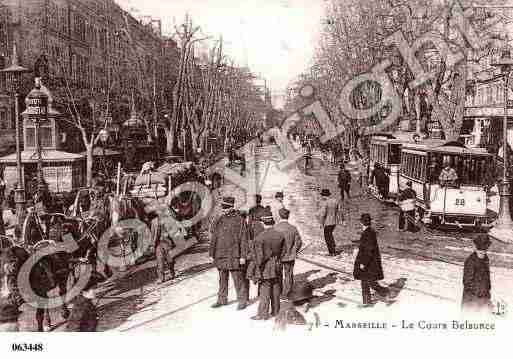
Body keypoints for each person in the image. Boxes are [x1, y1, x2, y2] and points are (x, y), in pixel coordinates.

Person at [209, 197, 249, 310]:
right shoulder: (220, 219)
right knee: (222, 278)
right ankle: (222, 299)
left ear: (232, 207)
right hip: (220, 254)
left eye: (226, 208)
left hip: (234, 254)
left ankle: (242, 300)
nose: (224, 210)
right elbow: (214, 237)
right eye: (223, 207)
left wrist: (243, 256)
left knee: (238, 279)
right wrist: (211, 253)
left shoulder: (240, 220)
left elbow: (244, 239)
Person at [252, 208, 286, 320]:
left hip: (265, 268)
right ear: (272, 222)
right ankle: (276, 311)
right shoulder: (280, 235)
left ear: (262, 222)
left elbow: (259, 258)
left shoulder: (259, 238)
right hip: (277, 265)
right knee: (276, 287)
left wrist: (256, 268)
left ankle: (262, 314)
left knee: (264, 290)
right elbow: (284, 251)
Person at [353, 213, 390, 307]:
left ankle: (381, 293)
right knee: (367, 281)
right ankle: (370, 299)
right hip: (371, 261)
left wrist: (363, 263)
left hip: (369, 262)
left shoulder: (367, 233)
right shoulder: (369, 231)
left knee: (367, 281)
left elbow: (369, 250)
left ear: (362, 223)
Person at [274, 208, 303, 299]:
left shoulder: (275, 228)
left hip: (278, 257)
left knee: (278, 274)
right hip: (290, 257)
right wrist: (294, 251)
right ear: (288, 216)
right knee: (289, 275)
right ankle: (288, 293)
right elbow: (299, 242)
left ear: (279, 216)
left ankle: (278, 293)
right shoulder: (293, 228)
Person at [462, 234, 492, 313]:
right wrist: (479, 293)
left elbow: (487, 278)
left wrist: (487, 292)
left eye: (484, 251)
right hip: (472, 298)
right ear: (476, 249)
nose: (483, 253)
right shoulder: (470, 261)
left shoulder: (485, 259)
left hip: (484, 296)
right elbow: (467, 282)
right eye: (480, 252)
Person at [317, 189, 343, 256]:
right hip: (334, 222)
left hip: (327, 222)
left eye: (322, 196)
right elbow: (340, 211)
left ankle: (331, 252)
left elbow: (323, 214)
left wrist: (321, 223)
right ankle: (333, 249)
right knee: (330, 235)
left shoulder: (325, 203)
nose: (322, 197)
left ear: (324, 196)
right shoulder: (335, 201)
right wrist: (342, 220)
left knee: (327, 237)